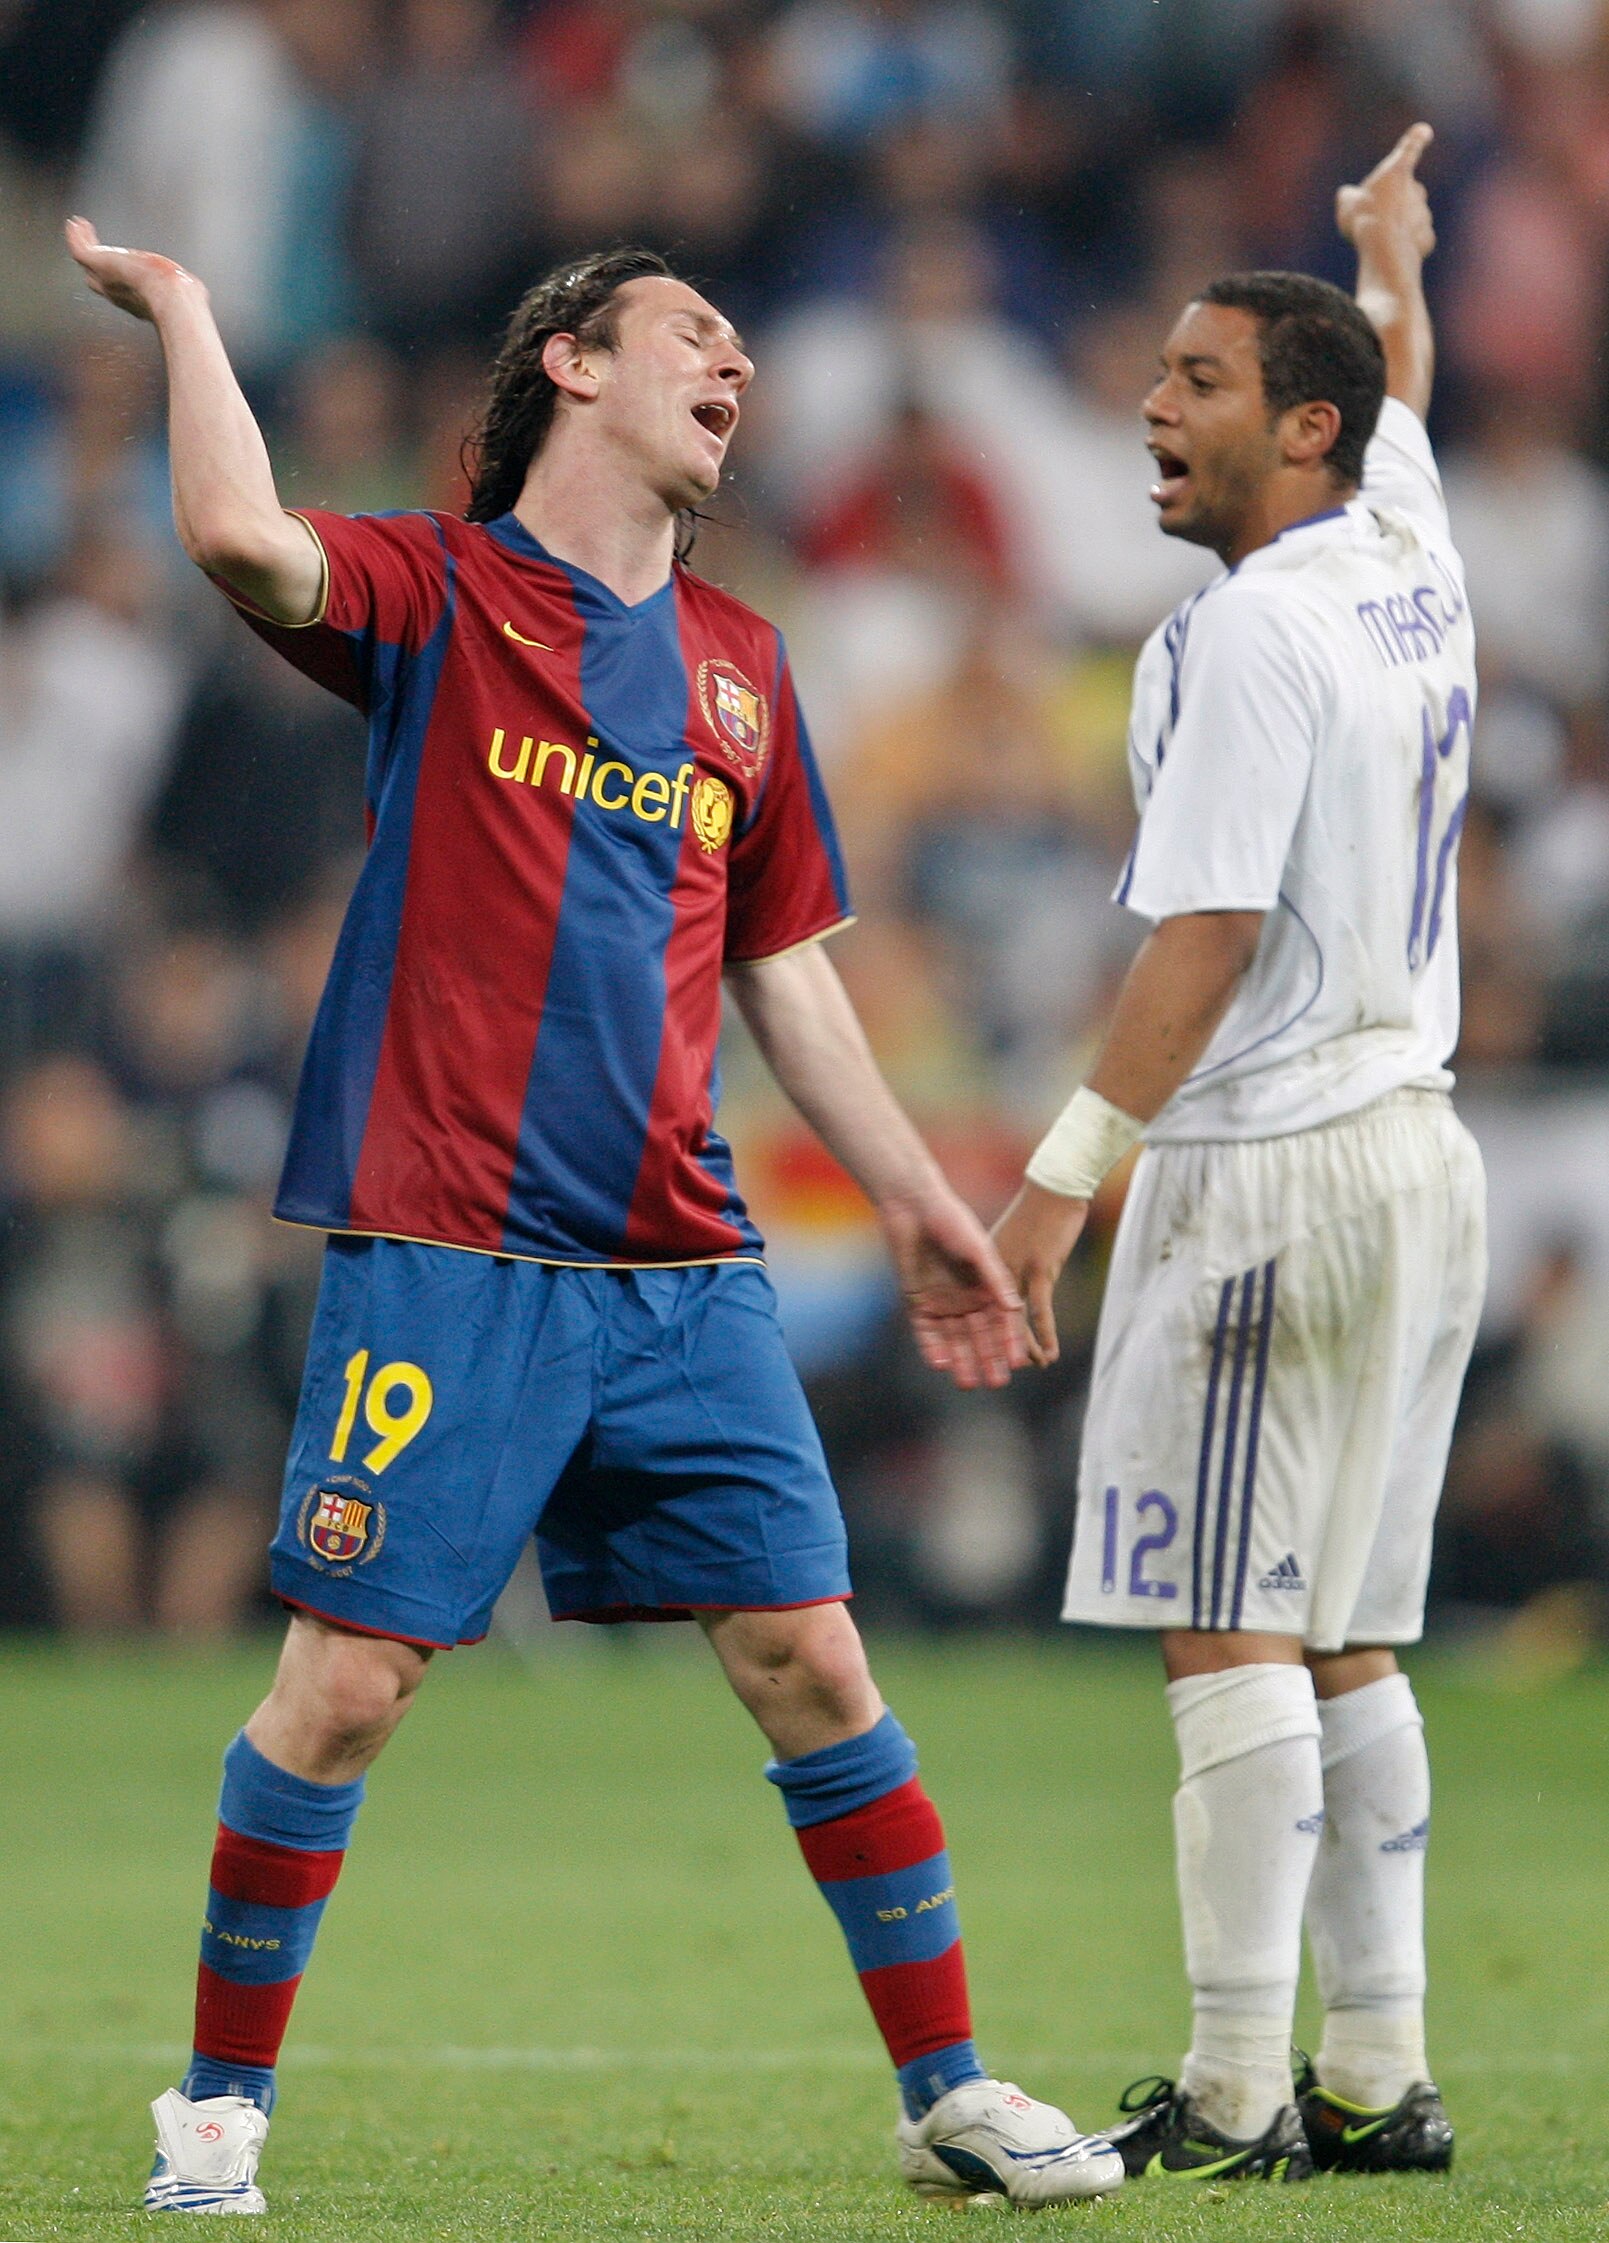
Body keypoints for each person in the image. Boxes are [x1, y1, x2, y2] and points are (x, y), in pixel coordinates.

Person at [65, 220, 1125, 2215]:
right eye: (691, 333)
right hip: (451, 1245)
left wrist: (918, 1196)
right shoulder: (442, 590)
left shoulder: (745, 670)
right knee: (348, 1687)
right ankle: (214, 2107)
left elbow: (782, 967)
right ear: (571, 360)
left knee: (813, 1662)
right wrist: (190, 313)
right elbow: (231, 534)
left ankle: (949, 2095)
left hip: (680, 1263)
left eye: (741, 344)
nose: (736, 365)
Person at [992, 125, 1484, 2182]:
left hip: (1269, 1165)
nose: (1149, 404)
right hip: (1419, 1156)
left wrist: (1053, 1187)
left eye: (1196, 381)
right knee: (1346, 1627)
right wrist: (1387, 269)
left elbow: (1198, 932)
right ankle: (1375, 2073)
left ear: (1298, 433)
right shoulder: (1403, 541)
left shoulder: (1250, 632)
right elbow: (1399, 395)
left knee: (1227, 1619)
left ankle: (1225, 2089)